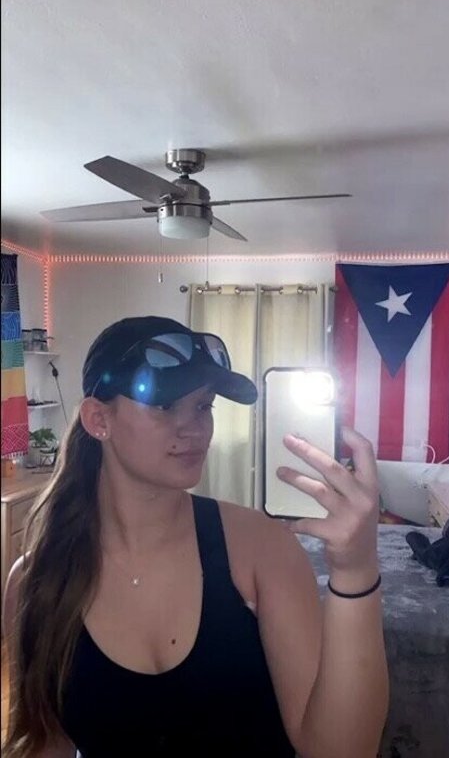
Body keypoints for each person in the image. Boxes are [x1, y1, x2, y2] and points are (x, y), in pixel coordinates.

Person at [2, 315, 389, 758]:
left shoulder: (261, 549)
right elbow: (44, 742)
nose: (195, 428)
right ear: (98, 419)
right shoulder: (36, 582)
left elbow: (340, 750)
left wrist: (356, 570)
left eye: (203, 406)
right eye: (165, 405)